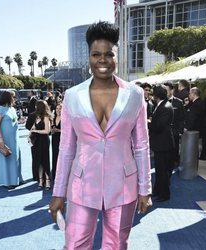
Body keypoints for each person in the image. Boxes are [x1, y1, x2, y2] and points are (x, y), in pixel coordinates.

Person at [49, 21, 152, 249]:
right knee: (75, 244)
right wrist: (58, 192)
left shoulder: (134, 94)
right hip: (82, 183)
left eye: (108, 54)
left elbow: (142, 145)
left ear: (116, 56)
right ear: (89, 57)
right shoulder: (72, 96)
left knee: (116, 244)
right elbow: (66, 149)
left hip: (123, 185)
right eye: (96, 54)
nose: (102, 60)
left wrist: (145, 188)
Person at [149, 84, 175, 202]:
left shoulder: (165, 107)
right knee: (159, 171)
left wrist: (148, 122)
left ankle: (164, 194)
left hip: (163, 144)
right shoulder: (162, 105)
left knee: (163, 171)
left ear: (156, 95)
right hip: (161, 144)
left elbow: (158, 126)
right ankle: (158, 191)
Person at [0, 90, 23, 189]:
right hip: (5, 138)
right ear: (8, 98)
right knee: (7, 157)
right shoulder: (0, 109)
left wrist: (20, 121)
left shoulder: (12, 108)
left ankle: (17, 178)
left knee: (15, 157)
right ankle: (9, 182)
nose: (15, 98)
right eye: (13, 97)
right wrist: (1, 139)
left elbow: (14, 121)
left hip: (14, 137)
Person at [29, 100, 52, 190]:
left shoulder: (46, 117)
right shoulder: (36, 117)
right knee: (38, 162)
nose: (35, 107)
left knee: (45, 161)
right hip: (36, 141)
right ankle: (40, 181)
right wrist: (30, 135)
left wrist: (36, 131)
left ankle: (47, 181)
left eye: (36, 106)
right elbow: (32, 129)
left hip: (44, 141)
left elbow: (47, 131)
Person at [164, 82, 185, 166]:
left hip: (174, 130)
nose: (165, 92)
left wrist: (180, 131)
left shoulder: (179, 102)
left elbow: (182, 117)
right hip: (164, 130)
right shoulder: (161, 102)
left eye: (167, 90)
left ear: (172, 90)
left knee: (175, 147)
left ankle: (175, 160)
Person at [51, 103, 62, 181]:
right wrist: (51, 130)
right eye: (57, 108)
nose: (58, 110)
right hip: (54, 139)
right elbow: (50, 128)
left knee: (61, 157)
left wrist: (58, 130)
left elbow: (69, 131)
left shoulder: (65, 118)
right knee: (55, 156)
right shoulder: (53, 118)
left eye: (60, 108)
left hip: (63, 139)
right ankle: (55, 175)